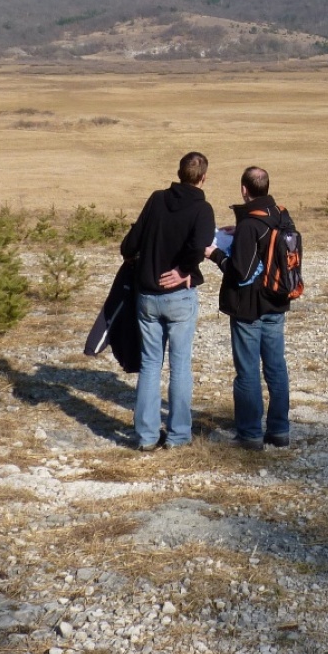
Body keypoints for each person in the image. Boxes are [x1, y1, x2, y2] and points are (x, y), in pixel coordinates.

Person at [119, 151, 216, 451]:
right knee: (180, 364)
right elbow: (199, 246)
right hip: (179, 297)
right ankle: (178, 435)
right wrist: (183, 271)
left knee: (150, 364)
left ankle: (146, 436)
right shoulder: (202, 209)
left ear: (178, 173)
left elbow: (129, 245)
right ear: (203, 178)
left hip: (147, 295)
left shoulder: (156, 199)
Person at [209, 166, 293, 451]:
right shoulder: (282, 214)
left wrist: (215, 254)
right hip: (277, 301)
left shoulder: (249, 225)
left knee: (247, 372)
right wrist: (240, 233)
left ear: (244, 189)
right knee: (276, 368)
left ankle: (250, 435)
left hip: (249, 308)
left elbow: (240, 272)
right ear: (266, 186)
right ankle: (280, 431)